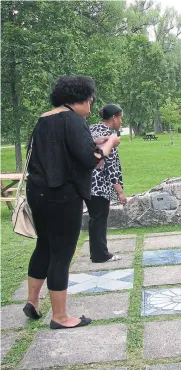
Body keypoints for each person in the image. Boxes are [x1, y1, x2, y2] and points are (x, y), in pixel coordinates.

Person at [24, 76, 121, 329]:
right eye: (90, 101)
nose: (91, 107)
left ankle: (32, 301)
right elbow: (93, 160)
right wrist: (109, 141)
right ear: (81, 98)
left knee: (44, 245)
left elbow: (61, 150)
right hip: (63, 195)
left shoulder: (44, 119)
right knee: (62, 254)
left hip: (38, 192)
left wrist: (94, 143)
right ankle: (60, 317)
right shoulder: (73, 120)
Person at [85, 104, 126, 263]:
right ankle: (100, 255)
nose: (121, 121)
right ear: (114, 117)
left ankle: (96, 252)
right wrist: (120, 192)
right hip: (99, 185)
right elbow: (111, 166)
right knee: (99, 219)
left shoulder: (91, 129)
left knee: (94, 218)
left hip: (85, 183)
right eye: (120, 117)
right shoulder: (110, 136)